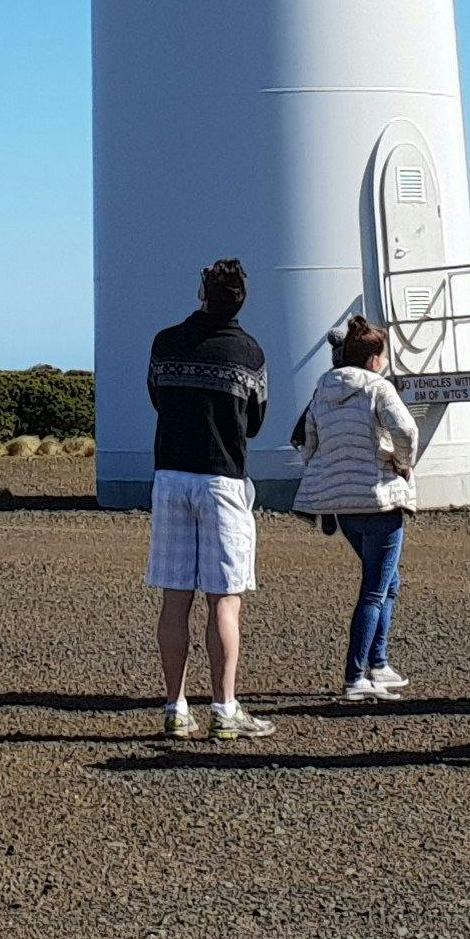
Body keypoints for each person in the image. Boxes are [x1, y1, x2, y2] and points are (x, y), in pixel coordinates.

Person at [146, 258, 275, 741]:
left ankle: (176, 708)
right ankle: (224, 708)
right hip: (222, 479)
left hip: (171, 475)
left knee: (175, 598)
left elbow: (157, 397)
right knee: (225, 600)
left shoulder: (165, 342)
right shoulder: (249, 352)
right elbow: (254, 421)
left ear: (202, 292)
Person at [290, 314, 423, 701]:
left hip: (343, 504)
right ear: (373, 359)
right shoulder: (378, 388)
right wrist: (403, 463)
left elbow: (308, 441)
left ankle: (379, 663)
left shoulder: (322, 389)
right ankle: (356, 675)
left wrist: (326, 469)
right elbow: (406, 430)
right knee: (374, 591)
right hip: (379, 499)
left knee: (387, 583)